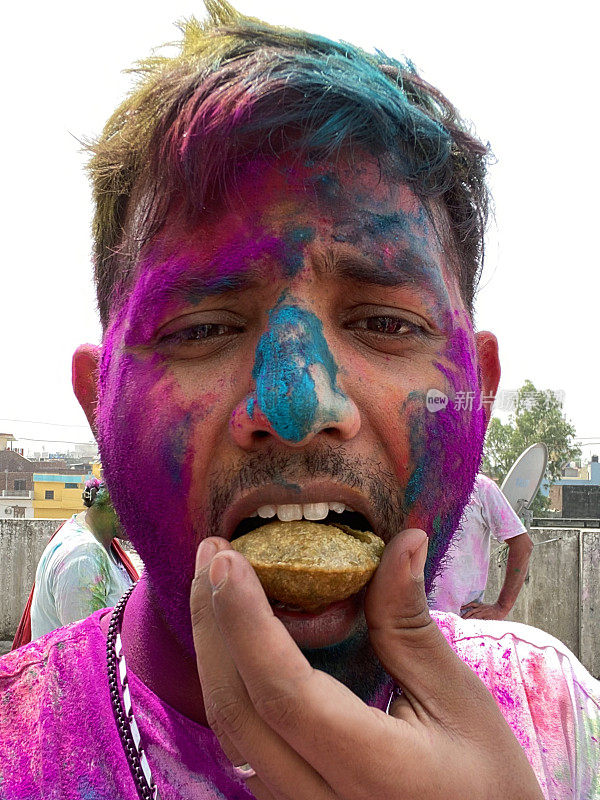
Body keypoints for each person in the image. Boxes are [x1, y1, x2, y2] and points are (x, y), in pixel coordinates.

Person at [0, 3, 598, 798]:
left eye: (385, 322)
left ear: (479, 394)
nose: (297, 404)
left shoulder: (559, 721)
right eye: (204, 326)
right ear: (96, 397)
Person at [11, 478, 139, 647]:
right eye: (143, 511)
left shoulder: (99, 540)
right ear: (114, 502)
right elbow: (87, 649)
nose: (146, 525)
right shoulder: (83, 558)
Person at [429, 473, 534, 618]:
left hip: (463, 623)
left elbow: (523, 545)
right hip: (414, 623)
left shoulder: (480, 487)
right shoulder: (411, 487)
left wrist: (501, 607)